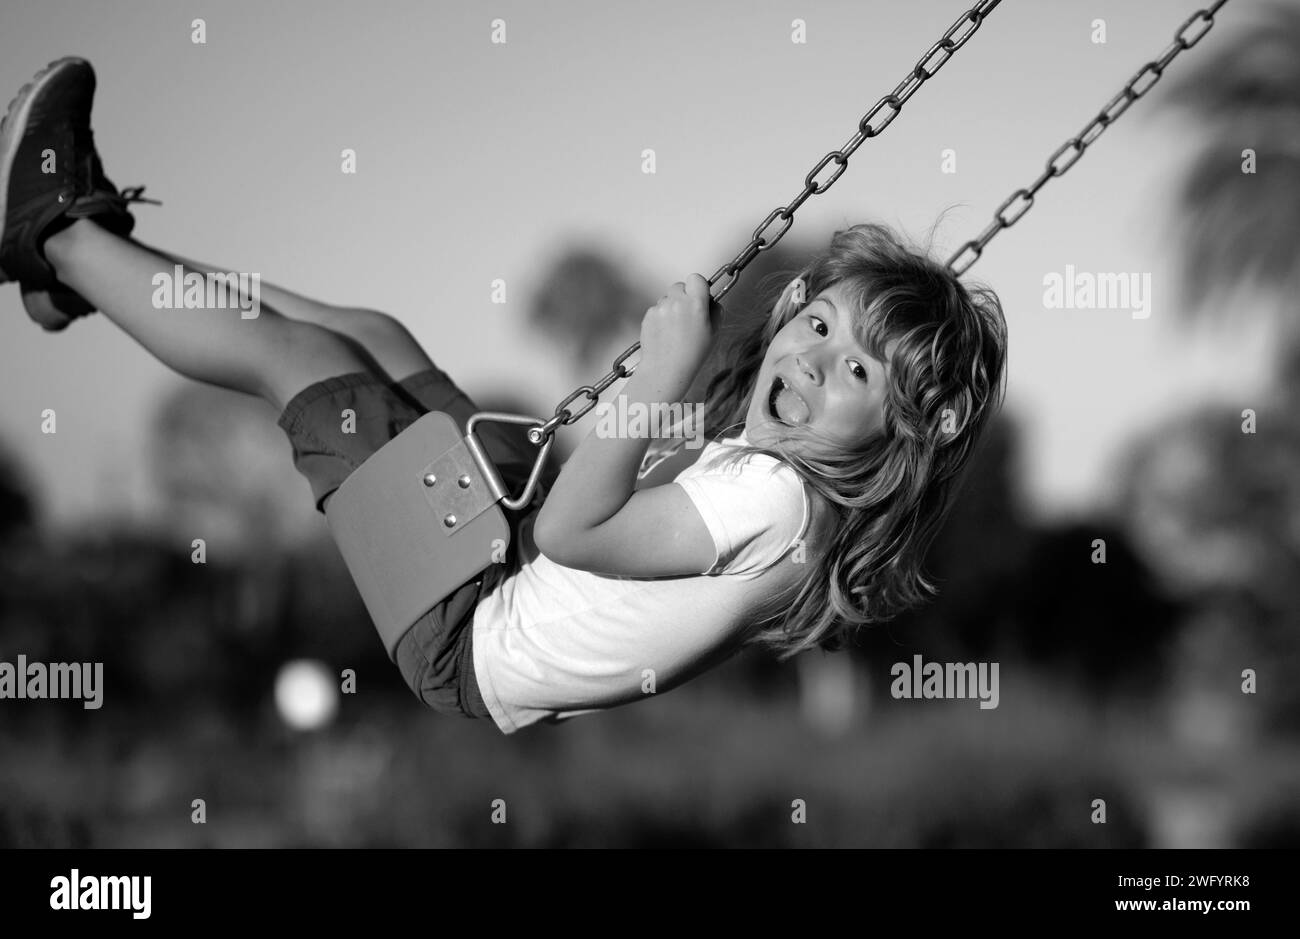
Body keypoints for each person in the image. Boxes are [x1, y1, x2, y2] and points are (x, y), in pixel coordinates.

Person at [2, 58, 1008, 735]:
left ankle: (53, 233)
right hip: (501, 561)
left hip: (470, 627)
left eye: (860, 373)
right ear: (790, 307)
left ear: (907, 429)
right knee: (373, 338)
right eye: (820, 327)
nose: (816, 362)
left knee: (304, 365)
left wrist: (659, 377)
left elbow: (575, 534)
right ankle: (88, 263)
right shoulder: (787, 493)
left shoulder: (775, 500)